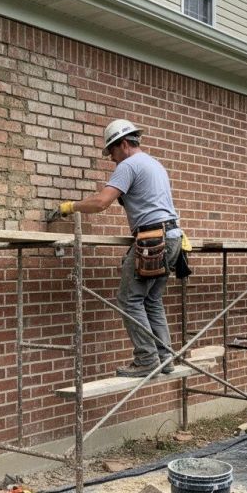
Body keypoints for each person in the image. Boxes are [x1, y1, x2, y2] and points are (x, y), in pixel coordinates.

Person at [55, 119, 183, 377]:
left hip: (152, 240)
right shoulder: (153, 163)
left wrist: (71, 207)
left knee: (129, 299)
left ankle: (146, 360)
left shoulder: (129, 164)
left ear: (123, 144)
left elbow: (102, 201)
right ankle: (164, 358)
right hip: (172, 237)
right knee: (152, 300)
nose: (112, 159)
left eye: (111, 152)